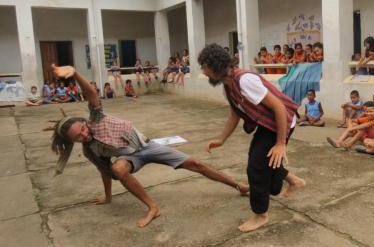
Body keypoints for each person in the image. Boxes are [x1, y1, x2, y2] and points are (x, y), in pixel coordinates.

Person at [47, 63, 249, 228]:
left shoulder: (96, 118)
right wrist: (108, 197)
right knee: (117, 169)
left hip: (146, 145)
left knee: (196, 163)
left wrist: (75, 72)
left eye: (81, 129)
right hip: (131, 158)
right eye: (77, 137)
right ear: (72, 141)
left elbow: (91, 93)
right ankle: (152, 207)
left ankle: (239, 186)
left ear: (84, 123)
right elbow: (104, 171)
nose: (83, 134)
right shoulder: (89, 150)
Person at [198, 44, 305, 233]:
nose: (203, 72)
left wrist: (280, 143)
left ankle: (260, 214)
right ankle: (294, 181)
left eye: (204, 67)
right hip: (268, 123)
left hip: (282, 121)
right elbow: (234, 114)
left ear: (213, 65)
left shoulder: (244, 80)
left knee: (256, 167)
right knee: (264, 160)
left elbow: (279, 107)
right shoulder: (228, 85)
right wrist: (221, 139)